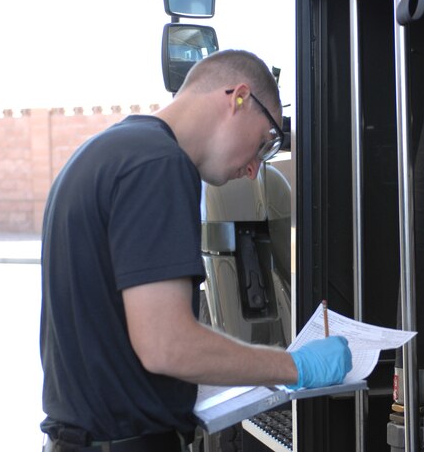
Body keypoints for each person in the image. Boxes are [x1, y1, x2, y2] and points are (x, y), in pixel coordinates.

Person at [40, 49, 352, 452]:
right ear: (238, 98)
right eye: (263, 143)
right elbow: (167, 346)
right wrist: (296, 366)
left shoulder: (105, 152)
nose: (255, 169)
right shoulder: (159, 164)